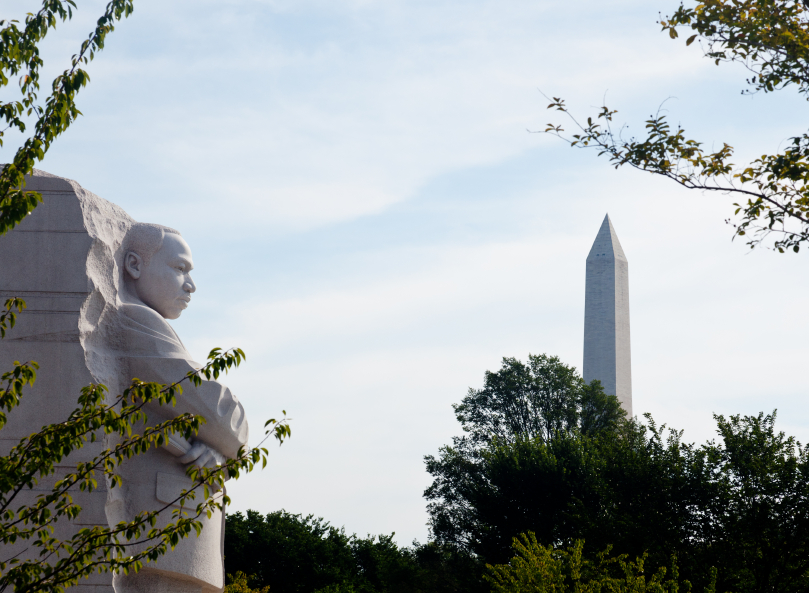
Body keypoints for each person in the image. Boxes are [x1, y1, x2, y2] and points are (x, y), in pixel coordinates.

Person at [106, 223, 248, 593]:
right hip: (162, 525)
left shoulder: (151, 324)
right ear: (134, 265)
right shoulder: (135, 319)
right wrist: (227, 438)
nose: (190, 285)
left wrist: (215, 452)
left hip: (176, 527)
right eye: (179, 268)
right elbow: (216, 414)